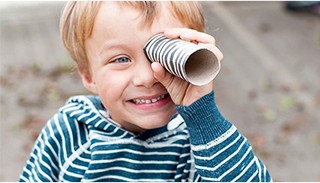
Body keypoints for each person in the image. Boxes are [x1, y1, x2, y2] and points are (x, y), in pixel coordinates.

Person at [19, 1, 272, 182]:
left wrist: (203, 114)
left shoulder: (200, 142)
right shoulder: (69, 134)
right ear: (88, 75)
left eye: (162, 55)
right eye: (120, 59)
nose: (148, 77)